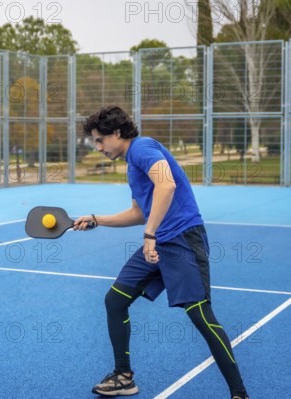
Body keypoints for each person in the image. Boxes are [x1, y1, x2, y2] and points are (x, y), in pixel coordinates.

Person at [73, 106, 249, 399]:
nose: (98, 147)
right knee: (115, 300)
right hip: (158, 241)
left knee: (200, 316)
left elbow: (166, 184)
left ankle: (239, 393)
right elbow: (139, 213)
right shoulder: (132, 166)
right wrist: (97, 219)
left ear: (116, 133)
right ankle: (123, 376)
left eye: (100, 140)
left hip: (182, 241)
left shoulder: (143, 148)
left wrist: (150, 235)